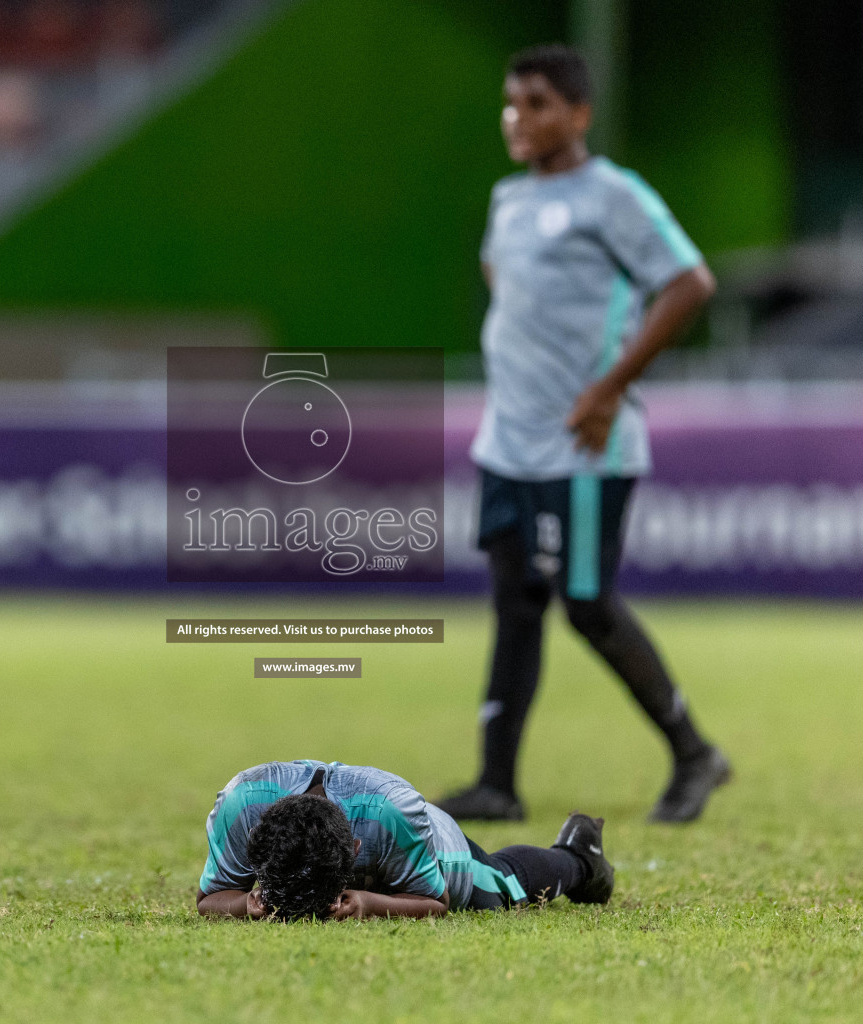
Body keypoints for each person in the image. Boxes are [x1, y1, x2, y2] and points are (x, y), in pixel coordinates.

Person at [436, 45, 730, 826]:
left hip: (584, 445)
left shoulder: (614, 196)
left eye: (535, 103)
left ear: (578, 114)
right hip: (508, 441)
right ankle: (496, 782)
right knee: (515, 604)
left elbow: (690, 283)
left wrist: (606, 386)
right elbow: (506, 282)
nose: (517, 118)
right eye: (510, 103)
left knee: (588, 604)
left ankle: (695, 753)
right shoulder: (509, 200)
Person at [195, 759, 612, 920]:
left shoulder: (394, 814)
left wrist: (369, 903)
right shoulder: (241, 805)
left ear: (355, 854)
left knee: (505, 886)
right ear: (256, 844)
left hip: (429, 846)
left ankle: (580, 856)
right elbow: (209, 900)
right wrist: (245, 903)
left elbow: (436, 903)